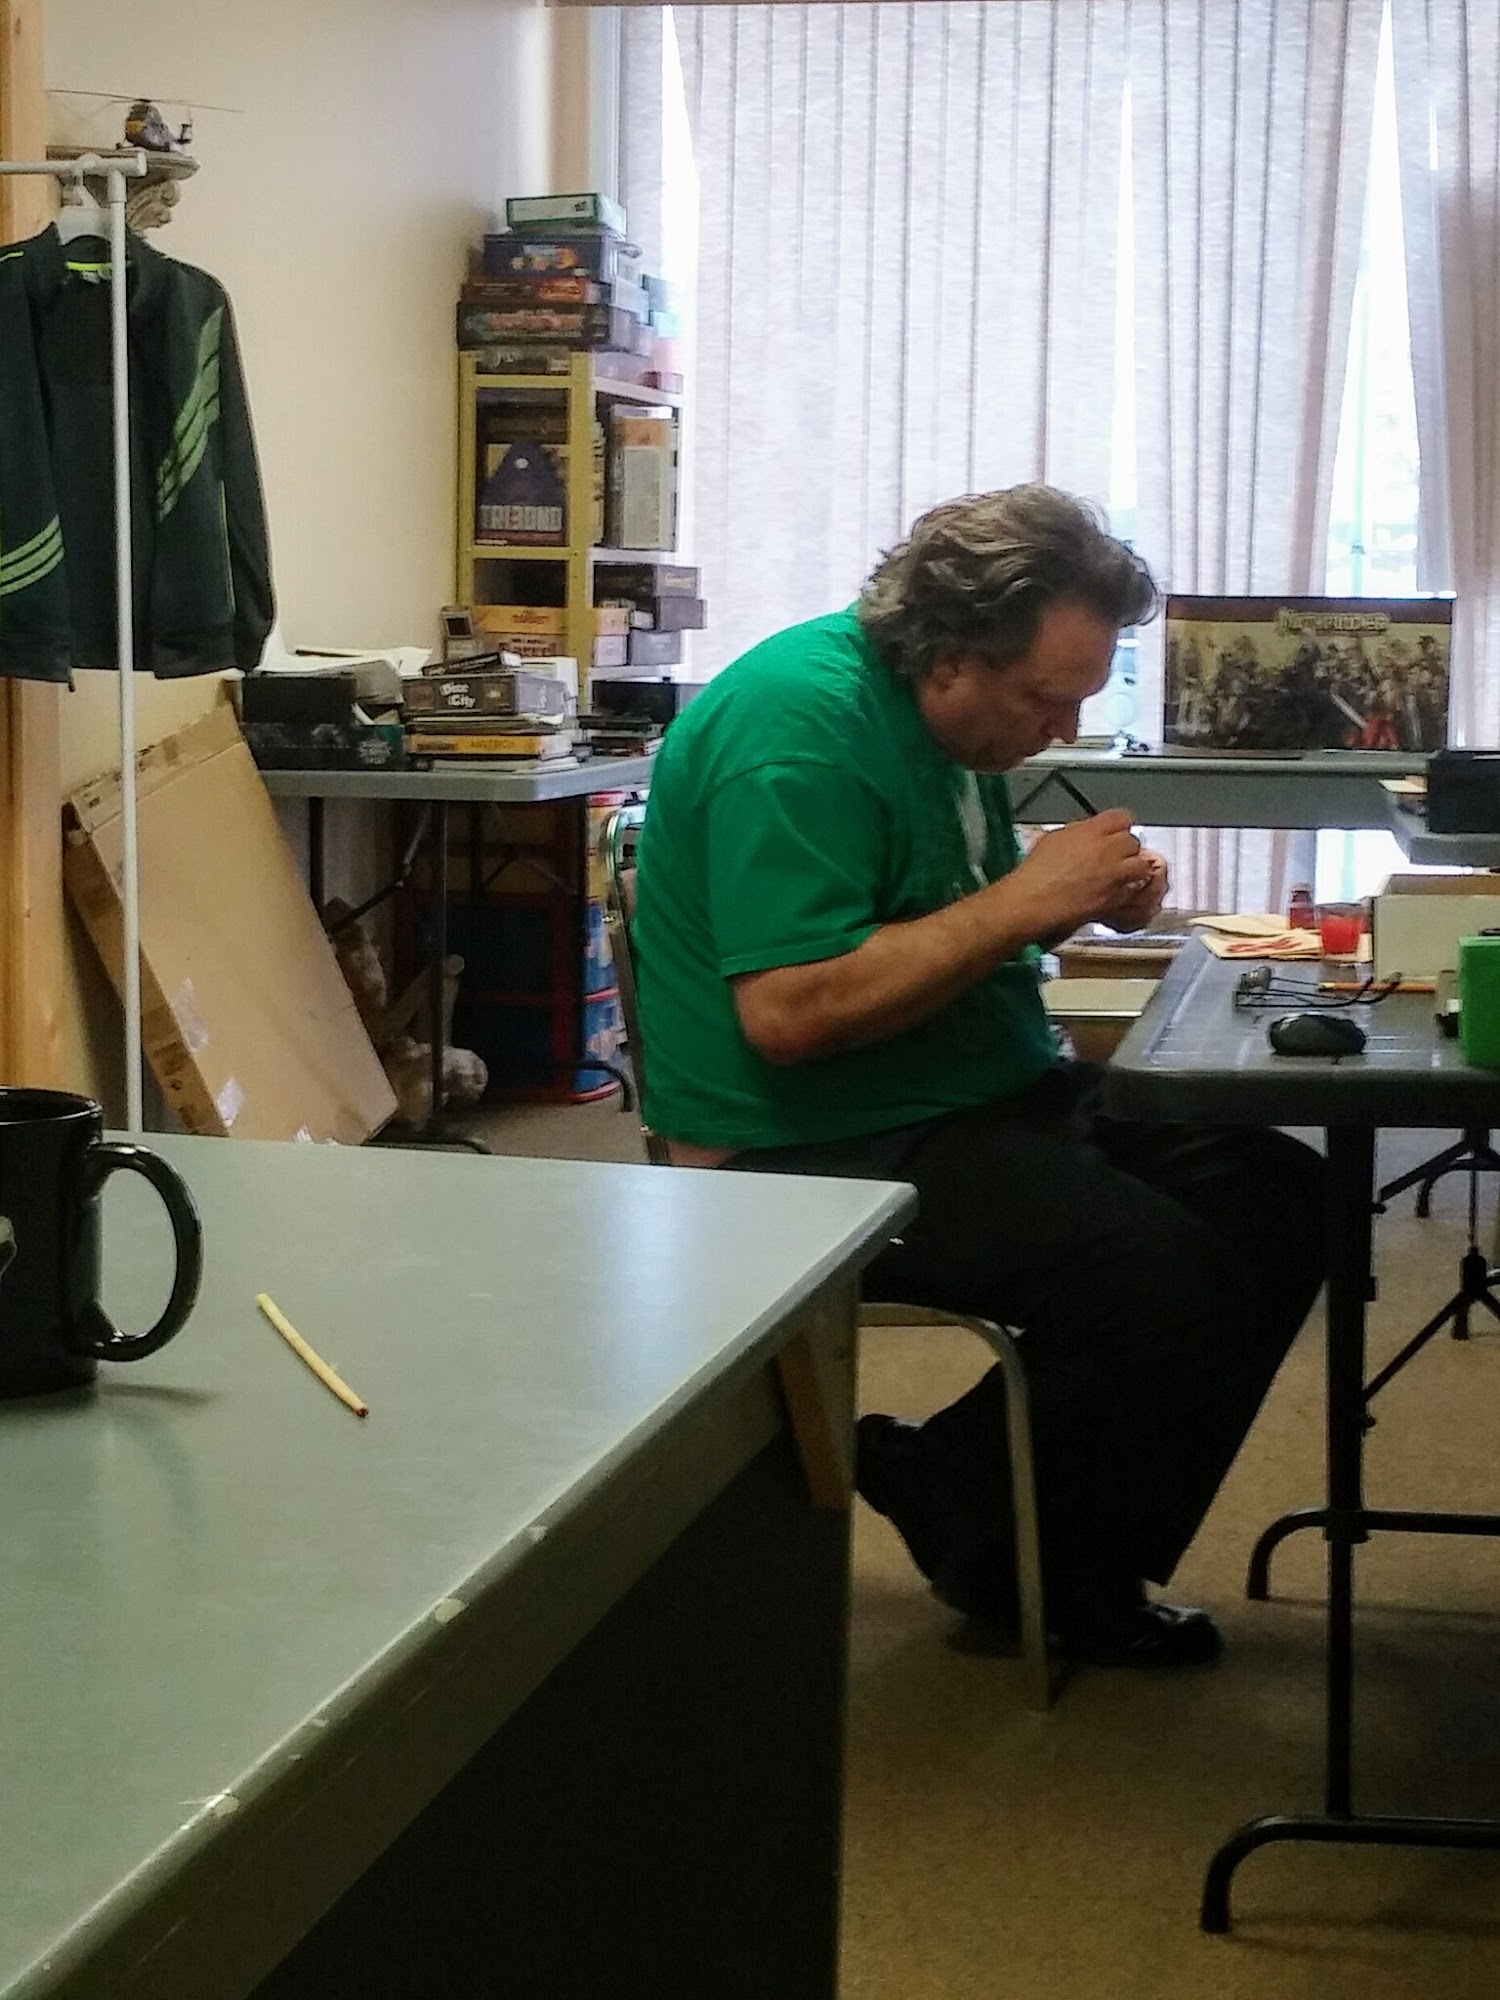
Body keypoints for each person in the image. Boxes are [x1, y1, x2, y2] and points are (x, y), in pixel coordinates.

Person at [632, 484, 1326, 1670]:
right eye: (1044, 698)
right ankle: (1037, 1561)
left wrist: (1072, 904)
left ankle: (967, 1489)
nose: (1058, 729)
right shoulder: (799, 731)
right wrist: (1022, 902)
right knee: (1160, 1279)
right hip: (801, 1143)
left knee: (1281, 1197)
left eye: (1080, 698)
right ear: (951, 653)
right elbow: (789, 1013)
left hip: (965, 1090)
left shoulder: (945, 722)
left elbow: (944, 927)